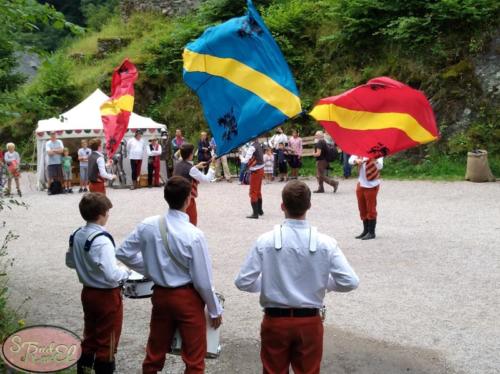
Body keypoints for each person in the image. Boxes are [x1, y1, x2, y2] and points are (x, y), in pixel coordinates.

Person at [235, 180, 359, 374]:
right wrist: (324, 284)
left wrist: (270, 283)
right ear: (309, 206)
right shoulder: (325, 242)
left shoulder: (265, 241)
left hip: (275, 320)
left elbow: (243, 282)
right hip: (309, 321)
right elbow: (350, 281)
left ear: (282, 206)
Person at [116, 176, 223, 374]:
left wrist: (150, 268)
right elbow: (203, 280)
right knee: (194, 358)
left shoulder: (148, 224)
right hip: (187, 298)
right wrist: (215, 309)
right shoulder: (194, 235)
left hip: (161, 294)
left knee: (155, 351)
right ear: (189, 199)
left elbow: (122, 253)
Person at [65, 193, 130, 374]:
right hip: (106, 296)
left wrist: (87, 268)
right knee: (107, 343)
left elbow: (70, 262)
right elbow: (111, 274)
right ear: (101, 214)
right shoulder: (102, 240)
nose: (108, 215)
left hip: (88, 292)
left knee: (90, 337)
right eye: (107, 212)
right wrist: (125, 272)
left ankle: (84, 371)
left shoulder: (77, 234)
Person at [173, 143, 215, 226]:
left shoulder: (178, 164)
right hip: (187, 200)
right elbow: (206, 179)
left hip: (177, 198)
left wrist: (196, 166)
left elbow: (187, 168)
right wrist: (212, 165)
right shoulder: (191, 169)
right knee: (191, 223)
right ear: (190, 154)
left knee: (179, 223)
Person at [349, 155, 384, 240]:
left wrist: (374, 160)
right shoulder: (360, 150)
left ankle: (371, 232)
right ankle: (365, 231)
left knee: (371, 208)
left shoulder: (377, 152)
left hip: (372, 184)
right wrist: (356, 161)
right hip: (361, 183)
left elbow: (380, 166)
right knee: (362, 208)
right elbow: (350, 160)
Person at [241, 138, 265, 219]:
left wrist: (241, 157)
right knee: (258, 191)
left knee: (253, 192)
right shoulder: (258, 144)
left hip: (256, 171)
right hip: (261, 169)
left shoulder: (252, 147)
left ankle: (255, 214)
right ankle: (260, 210)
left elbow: (245, 160)